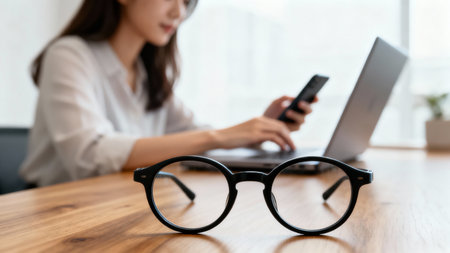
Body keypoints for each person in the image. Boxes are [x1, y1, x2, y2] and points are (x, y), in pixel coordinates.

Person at [20, 0, 316, 187]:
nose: (179, 12)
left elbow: (195, 137)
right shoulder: (69, 55)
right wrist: (220, 136)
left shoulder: (146, 73)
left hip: (119, 203)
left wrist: (259, 130)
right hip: (54, 211)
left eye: (186, 1)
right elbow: (89, 155)